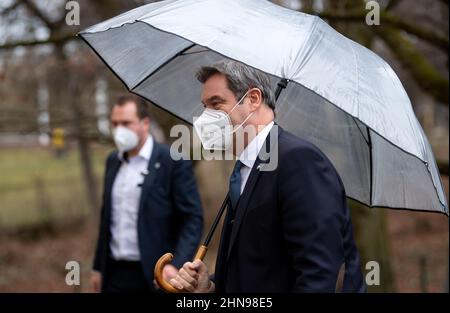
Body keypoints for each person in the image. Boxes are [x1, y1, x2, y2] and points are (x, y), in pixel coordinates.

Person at [168, 60, 366, 293]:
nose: (206, 117)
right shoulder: (244, 168)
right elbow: (256, 268)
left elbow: (321, 273)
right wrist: (210, 287)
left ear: (253, 99)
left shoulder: (299, 161)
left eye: (216, 104)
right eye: (204, 106)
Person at [90, 94, 203, 293]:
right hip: (114, 272)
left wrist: (175, 264)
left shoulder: (172, 161)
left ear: (145, 123)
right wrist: (98, 268)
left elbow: (192, 218)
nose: (119, 130)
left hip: (155, 274)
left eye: (126, 123)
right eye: (115, 124)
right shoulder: (112, 161)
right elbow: (106, 218)